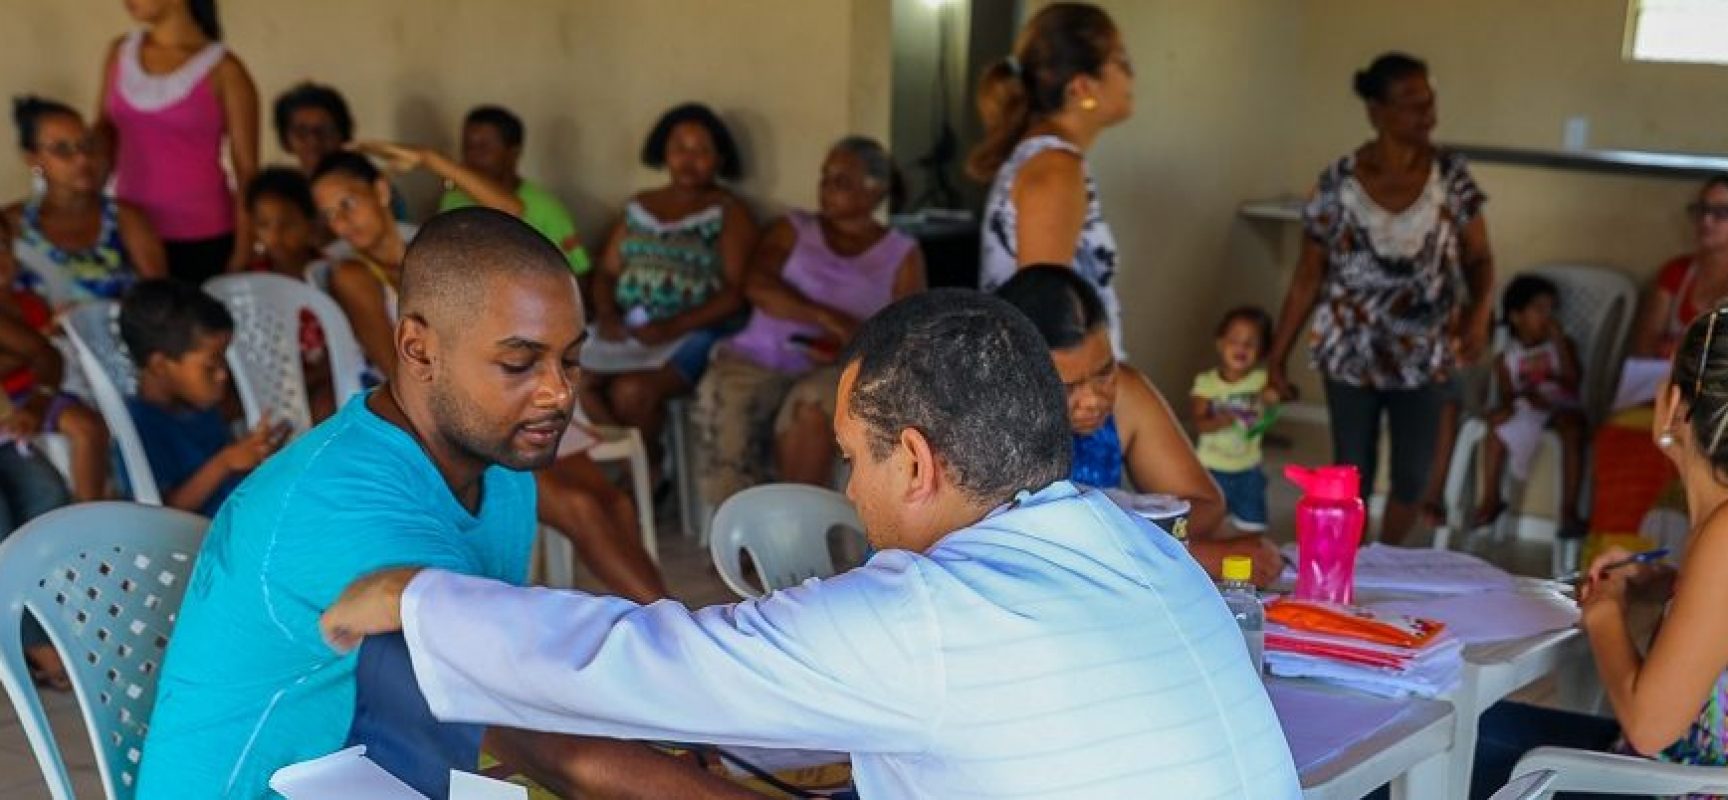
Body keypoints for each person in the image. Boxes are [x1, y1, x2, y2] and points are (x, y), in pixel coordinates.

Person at [321, 289, 1303, 799]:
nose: (850, 491)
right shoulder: (1139, 544)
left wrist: (419, 598)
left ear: (913, 461)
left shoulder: (929, 613)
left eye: (851, 458)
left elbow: (656, 659)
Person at [135, 208, 755, 800]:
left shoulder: (497, 458)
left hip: (382, 772)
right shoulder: (349, 508)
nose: (559, 392)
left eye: (570, 359)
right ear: (418, 349)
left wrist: (680, 704)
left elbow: (534, 656)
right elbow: (556, 750)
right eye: (519, 362)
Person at [1471, 304, 1728, 796]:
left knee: (1426, 753)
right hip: (1673, 772)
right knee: (1473, 730)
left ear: (1674, 404)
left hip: (1672, 786)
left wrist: (1605, 611)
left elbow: (1649, 726)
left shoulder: (1723, 535)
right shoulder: (1715, 528)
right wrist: (1663, 583)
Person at [1266, 52, 1495, 545]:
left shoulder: (1451, 177)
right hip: (1350, 351)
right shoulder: (1337, 183)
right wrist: (1276, 357)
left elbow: (1480, 259)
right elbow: (1308, 276)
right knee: (1352, 474)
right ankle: (1352, 564)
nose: (1427, 114)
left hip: (1425, 354)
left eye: (1430, 101)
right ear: (1377, 111)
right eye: (1413, 103)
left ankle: (1384, 557)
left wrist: (1478, 318)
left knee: (1413, 476)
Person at [997, 266, 1283, 586]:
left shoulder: (1126, 394)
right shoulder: (985, 421)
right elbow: (1006, 548)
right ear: (1016, 377)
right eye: (1068, 387)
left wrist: (1136, 543)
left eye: (1105, 372)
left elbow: (1204, 503)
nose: (1093, 400)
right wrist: (1188, 555)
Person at [696, 136, 924, 510]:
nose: (826, 188)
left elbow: (907, 332)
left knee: (814, 410)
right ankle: (737, 529)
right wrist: (829, 318)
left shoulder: (902, 253)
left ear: (875, 191)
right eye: (825, 177)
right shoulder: (794, 228)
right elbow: (758, 285)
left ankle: (793, 530)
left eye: (841, 181)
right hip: (759, 357)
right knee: (729, 404)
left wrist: (850, 345)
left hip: (840, 366)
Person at [582, 102, 757, 475]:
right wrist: (608, 315)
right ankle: (638, 470)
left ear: (719, 158)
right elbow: (607, 272)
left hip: (695, 332)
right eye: (680, 148)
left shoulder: (728, 211)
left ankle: (642, 479)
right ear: (664, 152)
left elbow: (735, 293)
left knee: (631, 392)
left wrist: (672, 327)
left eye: (701, 150)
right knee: (574, 379)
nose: (688, 160)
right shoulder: (639, 206)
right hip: (630, 329)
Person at [970, 2, 1131, 356]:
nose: (1130, 78)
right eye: (1121, 62)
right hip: (1063, 386)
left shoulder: (1050, 159)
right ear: (1081, 87)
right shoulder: (1055, 169)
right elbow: (1045, 318)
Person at [97, 0, 258, 283]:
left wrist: (243, 251)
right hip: (130, 230)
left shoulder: (225, 70)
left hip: (203, 236)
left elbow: (247, 171)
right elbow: (103, 138)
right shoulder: (119, 53)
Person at [120, 280, 284, 517]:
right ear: (160, 365)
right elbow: (161, 514)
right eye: (210, 366)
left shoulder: (198, 406)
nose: (222, 374)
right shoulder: (141, 428)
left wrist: (255, 452)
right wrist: (226, 462)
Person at [360, 105, 588, 275]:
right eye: (468, 146)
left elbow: (578, 271)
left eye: (484, 147)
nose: (472, 155)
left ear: (513, 153)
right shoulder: (453, 199)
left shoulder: (546, 207)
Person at [8, 95, 165, 309]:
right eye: (62, 149)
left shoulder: (125, 219)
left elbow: (161, 302)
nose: (82, 158)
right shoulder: (13, 225)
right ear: (33, 160)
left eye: (86, 144)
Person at [0, 213, 112, 505]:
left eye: (3, 246)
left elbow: (51, 355)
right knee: (84, 427)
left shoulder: (31, 303)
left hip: (42, 390)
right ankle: (84, 516)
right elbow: (43, 352)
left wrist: (50, 338)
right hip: (13, 401)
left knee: (92, 426)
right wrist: (38, 347)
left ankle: (91, 505)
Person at [1471, 275, 1586, 537]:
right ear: (1516, 316)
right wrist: (1511, 406)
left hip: (1560, 407)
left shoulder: (1562, 346)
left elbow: (1573, 380)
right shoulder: (1506, 358)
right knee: (1496, 430)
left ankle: (1568, 510)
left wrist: (1559, 343)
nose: (1547, 317)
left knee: (1573, 430)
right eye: (1539, 309)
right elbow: (1508, 395)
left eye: (1551, 310)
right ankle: (1490, 498)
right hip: (1528, 410)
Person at [311, 151, 413, 385]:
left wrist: (430, 159)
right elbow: (396, 372)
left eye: (347, 204)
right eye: (329, 214)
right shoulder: (351, 276)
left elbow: (501, 211)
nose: (340, 222)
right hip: (409, 399)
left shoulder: (425, 253)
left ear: (381, 191)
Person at [245, 167, 335, 421]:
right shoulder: (252, 281)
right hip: (269, 384)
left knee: (323, 408)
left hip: (324, 377)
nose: (275, 236)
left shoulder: (328, 274)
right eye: (264, 225)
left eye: (287, 224)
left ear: (310, 223)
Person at [1192, 306, 1281, 534]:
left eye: (1251, 343)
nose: (1242, 347)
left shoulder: (1261, 381)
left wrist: (1273, 396)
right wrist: (1219, 421)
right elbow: (1200, 424)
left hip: (1248, 468)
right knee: (1209, 526)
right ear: (1220, 343)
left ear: (1263, 350)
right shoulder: (1207, 383)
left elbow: (1288, 393)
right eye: (1234, 340)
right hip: (1210, 468)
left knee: (1253, 527)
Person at [270, 81, 409, 221]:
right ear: (286, 140)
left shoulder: (373, 187)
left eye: (324, 130)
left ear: (343, 134)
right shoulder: (282, 196)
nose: (313, 141)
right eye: (301, 132)